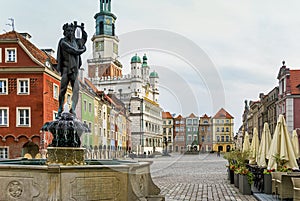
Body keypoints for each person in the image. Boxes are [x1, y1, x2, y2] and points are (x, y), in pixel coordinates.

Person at [56, 22, 87, 117]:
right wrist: (83, 50)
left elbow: (84, 39)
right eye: (68, 31)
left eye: (71, 31)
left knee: (76, 90)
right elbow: (74, 51)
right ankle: (60, 108)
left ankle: (73, 108)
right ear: (65, 32)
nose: (70, 32)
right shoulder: (63, 42)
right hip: (65, 69)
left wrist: (82, 29)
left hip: (74, 70)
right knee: (62, 89)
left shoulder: (76, 42)